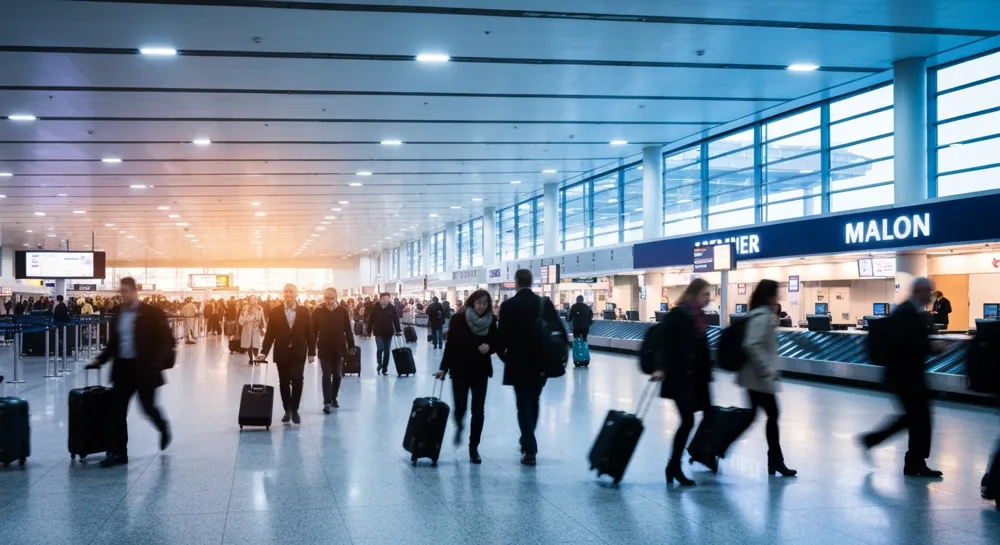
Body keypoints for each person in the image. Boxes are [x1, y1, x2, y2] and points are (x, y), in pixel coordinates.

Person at [85, 277, 173, 467]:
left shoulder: (152, 313)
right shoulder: (118, 314)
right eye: (121, 291)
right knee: (117, 411)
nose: (123, 294)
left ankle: (162, 426)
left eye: (126, 291)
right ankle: (119, 454)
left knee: (147, 408)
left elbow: (167, 341)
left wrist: (158, 363)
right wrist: (100, 359)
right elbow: (114, 344)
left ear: (135, 291)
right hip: (123, 369)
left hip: (145, 369)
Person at [858, 277, 941, 477]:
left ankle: (912, 461)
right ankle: (911, 460)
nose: (930, 296)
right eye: (929, 292)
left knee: (914, 418)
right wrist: (930, 347)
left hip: (904, 376)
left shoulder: (908, 311)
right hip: (905, 377)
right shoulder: (907, 313)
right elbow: (904, 344)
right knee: (919, 417)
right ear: (920, 291)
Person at [496, 269, 565, 466]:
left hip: (518, 363)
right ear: (532, 282)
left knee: (522, 404)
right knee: (533, 401)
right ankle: (528, 438)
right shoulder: (544, 304)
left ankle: (530, 448)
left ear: (516, 282)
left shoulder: (508, 306)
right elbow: (559, 331)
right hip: (541, 363)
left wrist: (506, 359)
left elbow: (500, 338)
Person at [651, 278, 713, 486]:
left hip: (697, 378)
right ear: (694, 293)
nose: (708, 298)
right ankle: (674, 465)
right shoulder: (678, 315)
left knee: (708, 415)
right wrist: (660, 367)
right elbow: (663, 343)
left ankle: (699, 454)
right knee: (687, 421)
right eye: (705, 294)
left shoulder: (698, 316)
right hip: (680, 377)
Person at [740, 280, 796, 477]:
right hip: (758, 377)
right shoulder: (761, 316)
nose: (778, 297)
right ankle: (775, 461)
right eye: (775, 294)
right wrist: (765, 368)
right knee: (770, 414)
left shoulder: (760, 315)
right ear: (769, 296)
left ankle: (775, 461)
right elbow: (752, 344)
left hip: (754, 377)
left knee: (756, 416)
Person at [435, 290, 497, 464]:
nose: (481, 306)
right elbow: (451, 345)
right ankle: (460, 424)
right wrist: (443, 368)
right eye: (478, 302)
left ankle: (473, 448)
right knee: (460, 408)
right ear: (471, 303)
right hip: (460, 369)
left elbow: (496, 341)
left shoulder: (492, 321)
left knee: (478, 410)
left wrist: (490, 347)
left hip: (480, 371)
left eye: (485, 303)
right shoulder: (458, 319)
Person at [257, 284, 316, 424]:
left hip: (298, 351)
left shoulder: (304, 311)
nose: (288, 294)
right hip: (282, 351)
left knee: (297, 379)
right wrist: (264, 352)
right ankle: (287, 410)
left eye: (291, 292)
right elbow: (270, 334)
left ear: (296, 294)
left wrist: (312, 352)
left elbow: (310, 332)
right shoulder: (275, 311)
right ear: (283, 294)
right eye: (286, 292)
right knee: (283, 382)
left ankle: (294, 409)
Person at [313, 287, 355, 413]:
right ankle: (326, 402)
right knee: (326, 375)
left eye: (332, 298)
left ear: (336, 297)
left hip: (338, 348)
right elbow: (313, 331)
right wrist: (310, 348)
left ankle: (333, 397)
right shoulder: (318, 311)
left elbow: (348, 329)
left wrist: (351, 345)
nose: (329, 301)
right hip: (324, 348)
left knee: (337, 375)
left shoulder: (343, 311)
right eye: (326, 298)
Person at [367, 293, 402, 375]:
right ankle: (380, 363)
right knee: (380, 348)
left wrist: (398, 330)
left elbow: (395, 319)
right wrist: (368, 331)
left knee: (387, 351)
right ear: (380, 299)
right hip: (378, 332)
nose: (386, 300)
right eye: (384, 298)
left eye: (388, 298)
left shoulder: (391, 308)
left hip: (389, 332)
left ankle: (385, 367)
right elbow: (370, 320)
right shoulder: (375, 308)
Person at [239, 295, 266, 366]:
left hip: (256, 329)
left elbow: (263, 318)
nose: (255, 300)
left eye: (256, 299)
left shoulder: (260, 308)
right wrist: (250, 318)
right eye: (253, 299)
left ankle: (256, 358)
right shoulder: (245, 308)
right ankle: (251, 359)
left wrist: (263, 328)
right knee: (249, 345)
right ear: (249, 300)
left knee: (256, 345)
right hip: (247, 329)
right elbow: (241, 320)